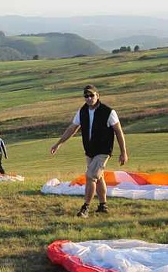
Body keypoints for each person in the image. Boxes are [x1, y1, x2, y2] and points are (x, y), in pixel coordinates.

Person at [50, 85, 128, 216]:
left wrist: (123, 152)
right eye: (86, 96)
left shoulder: (108, 112)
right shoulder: (82, 111)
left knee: (91, 176)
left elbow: (119, 132)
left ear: (98, 95)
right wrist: (59, 143)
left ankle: (85, 208)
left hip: (103, 151)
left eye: (92, 95)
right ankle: (103, 206)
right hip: (89, 150)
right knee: (99, 177)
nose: (89, 98)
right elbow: (72, 128)